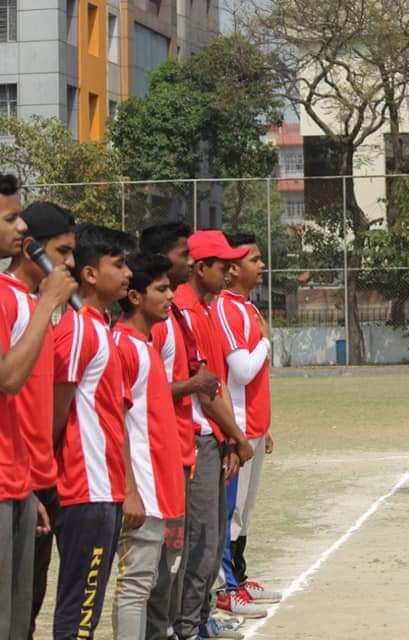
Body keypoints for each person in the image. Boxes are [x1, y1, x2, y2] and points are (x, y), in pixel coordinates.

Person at [139, 222, 223, 640]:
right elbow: (146, 390)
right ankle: (177, 628)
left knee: (185, 550)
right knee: (166, 558)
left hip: (185, 447)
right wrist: (195, 386)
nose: (189, 264)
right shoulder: (157, 320)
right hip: (165, 451)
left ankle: (184, 626)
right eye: (183, 256)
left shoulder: (177, 314)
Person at [0, 184, 77, 640]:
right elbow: (8, 379)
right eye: (10, 219)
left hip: (21, 480)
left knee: (19, 619)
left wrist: (30, 483)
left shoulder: (30, 304)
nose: (21, 227)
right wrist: (49, 301)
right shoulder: (13, 299)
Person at [52, 224, 135, 639]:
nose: (127, 274)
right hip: (85, 488)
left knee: (88, 607)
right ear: (89, 274)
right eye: (118, 265)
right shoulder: (79, 328)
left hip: (104, 487)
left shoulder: (101, 327)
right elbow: (56, 411)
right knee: (79, 610)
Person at [174, 230, 253, 640]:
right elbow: (206, 387)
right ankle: (189, 627)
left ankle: (199, 619)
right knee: (201, 541)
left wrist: (229, 438)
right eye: (222, 266)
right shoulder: (185, 311)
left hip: (212, 437)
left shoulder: (205, 309)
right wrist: (237, 437)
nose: (229, 272)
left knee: (213, 534)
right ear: (200, 267)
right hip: (196, 439)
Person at [111, 254, 186, 639]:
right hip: (143, 490)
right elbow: (117, 423)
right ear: (136, 297)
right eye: (161, 289)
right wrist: (130, 491)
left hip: (160, 486)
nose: (170, 296)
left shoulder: (146, 345)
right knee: (136, 585)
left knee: (149, 585)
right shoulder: (123, 346)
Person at [214, 232, 279, 618]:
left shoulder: (247, 307)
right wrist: (266, 343)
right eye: (254, 259)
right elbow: (240, 371)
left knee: (245, 511)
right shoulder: (228, 307)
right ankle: (228, 586)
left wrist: (264, 424)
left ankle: (239, 574)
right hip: (238, 426)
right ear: (233, 267)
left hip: (254, 423)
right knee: (232, 511)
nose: (262, 266)